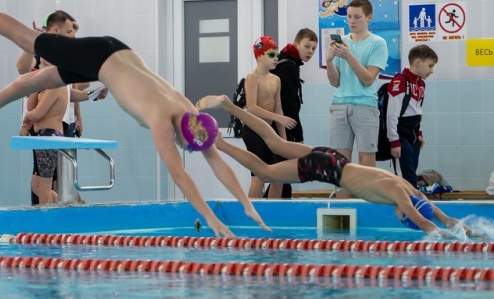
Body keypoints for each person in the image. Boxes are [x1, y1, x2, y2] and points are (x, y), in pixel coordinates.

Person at [0, 0, 269, 237]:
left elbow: (217, 159)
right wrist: (210, 218)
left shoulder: (188, 112)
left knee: (50, 77)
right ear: (182, 136)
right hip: (100, 58)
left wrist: (247, 204)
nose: (190, 148)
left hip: (115, 53)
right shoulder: (160, 120)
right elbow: (181, 176)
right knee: (28, 39)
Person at [197, 94, 473, 236]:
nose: (401, 217)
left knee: (274, 143)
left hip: (334, 159)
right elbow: (424, 221)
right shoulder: (400, 195)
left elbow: (435, 212)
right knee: (266, 171)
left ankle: (232, 107)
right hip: (329, 169)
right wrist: (443, 238)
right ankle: (221, 144)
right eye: (403, 218)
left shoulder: (409, 190)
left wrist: (464, 230)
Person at [326, 0, 389, 198]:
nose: (351, 21)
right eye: (349, 17)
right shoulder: (342, 42)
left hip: (365, 107)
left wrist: (349, 56)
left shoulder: (378, 43)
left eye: (357, 17)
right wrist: (328, 62)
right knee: (339, 163)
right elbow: (335, 82)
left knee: (366, 162)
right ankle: (341, 208)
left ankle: (366, 208)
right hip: (339, 105)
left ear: (369, 18)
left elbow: (368, 79)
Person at [241, 36, 295, 201]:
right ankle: (253, 218)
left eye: (277, 55)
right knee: (259, 177)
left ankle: (271, 217)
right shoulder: (252, 77)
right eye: (271, 55)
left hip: (271, 132)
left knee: (278, 178)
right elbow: (252, 107)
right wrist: (279, 117)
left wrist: (284, 143)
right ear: (259, 56)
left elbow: (278, 109)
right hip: (254, 131)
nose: (276, 58)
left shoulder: (276, 80)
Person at [268, 28, 318, 199]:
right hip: (280, 127)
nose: (310, 51)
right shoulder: (289, 66)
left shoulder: (281, 60)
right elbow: (289, 105)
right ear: (296, 44)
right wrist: (298, 136)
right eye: (307, 46)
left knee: (274, 174)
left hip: (269, 125)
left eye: (313, 48)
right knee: (279, 175)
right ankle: (271, 214)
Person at [386, 44, 438, 186]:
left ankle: (411, 206)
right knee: (405, 179)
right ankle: (405, 206)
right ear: (418, 62)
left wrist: (419, 133)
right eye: (430, 66)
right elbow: (392, 114)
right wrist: (394, 141)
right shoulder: (400, 81)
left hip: (413, 136)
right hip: (400, 135)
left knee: (412, 175)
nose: (432, 70)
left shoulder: (421, 83)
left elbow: (417, 110)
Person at [25, 59, 70, 205]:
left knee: (44, 187)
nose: (40, 67)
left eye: (45, 65)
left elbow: (38, 113)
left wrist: (27, 117)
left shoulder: (55, 87)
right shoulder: (45, 86)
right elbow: (31, 106)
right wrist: (35, 86)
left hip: (49, 137)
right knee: (36, 186)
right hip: (41, 138)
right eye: (41, 64)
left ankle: (48, 226)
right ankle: (63, 207)